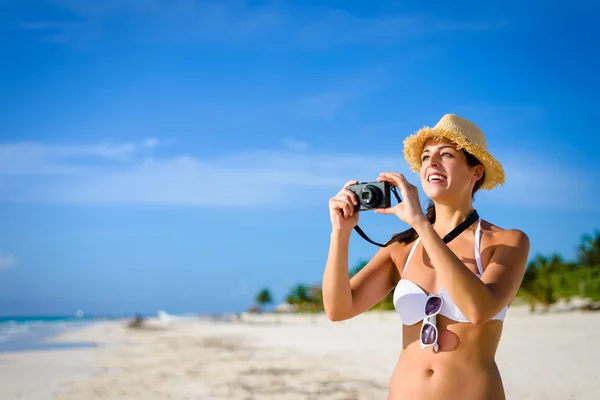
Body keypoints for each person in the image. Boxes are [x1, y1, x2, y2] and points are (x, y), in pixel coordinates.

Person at [322, 114, 530, 400]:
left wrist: (421, 223)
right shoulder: (401, 249)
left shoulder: (507, 241)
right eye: (426, 156)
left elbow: (478, 310)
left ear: (476, 172)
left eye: (446, 154)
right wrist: (340, 233)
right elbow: (338, 309)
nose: (432, 162)